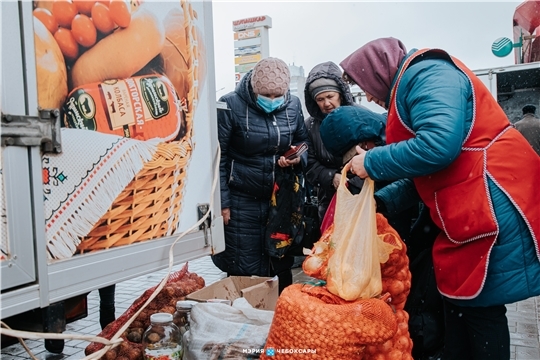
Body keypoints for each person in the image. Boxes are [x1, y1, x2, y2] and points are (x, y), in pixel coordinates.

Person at [340, 37, 540, 360]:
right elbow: (425, 174)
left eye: (367, 87)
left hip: (492, 196)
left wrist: (371, 163)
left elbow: (437, 146)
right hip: (471, 203)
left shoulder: (426, 72)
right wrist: (383, 202)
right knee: (462, 304)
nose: (372, 98)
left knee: (481, 308)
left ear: (378, 71)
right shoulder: (413, 83)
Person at [211, 57, 309, 294]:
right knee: (243, 263)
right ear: (253, 88)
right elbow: (218, 157)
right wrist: (222, 203)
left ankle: (281, 316)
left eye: (278, 96)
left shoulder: (294, 105)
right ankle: (245, 318)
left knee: (280, 259)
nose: (273, 101)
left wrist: (297, 157)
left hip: (280, 197)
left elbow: (302, 141)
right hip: (241, 199)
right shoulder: (230, 105)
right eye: (266, 95)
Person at [302, 61, 358, 224]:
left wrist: (352, 183)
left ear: (340, 94)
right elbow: (309, 164)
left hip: (362, 197)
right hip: (327, 200)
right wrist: (331, 176)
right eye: (320, 99)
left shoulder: (361, 118)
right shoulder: (310, 126)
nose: (326, 103)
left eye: (330, 96)